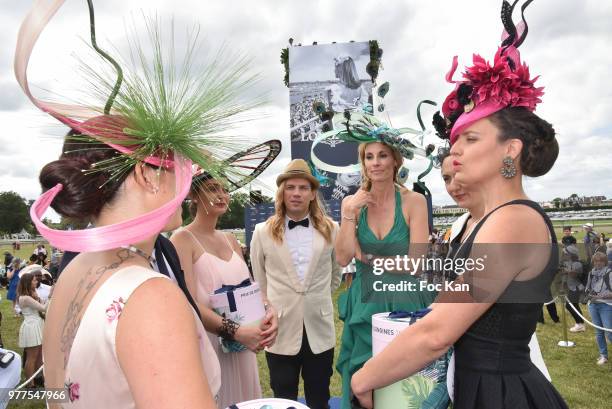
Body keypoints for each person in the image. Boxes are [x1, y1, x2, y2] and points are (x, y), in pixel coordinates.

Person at [15, 0, 262, 405]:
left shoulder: (73, 275)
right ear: (147, 175)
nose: (189, 183)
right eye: (181, 167)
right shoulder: (150, 296)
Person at [351, 3, 568, 407]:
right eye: (455, 144)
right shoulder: (488, 218)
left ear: (511, 149)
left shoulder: (515, 220)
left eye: (471, 140)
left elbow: (438, 334)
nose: (456, 154)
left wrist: (363, 378)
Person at [335, 137, 435, 409]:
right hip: (365, 302)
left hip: (404, 298)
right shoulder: (353, 204)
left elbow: (416, 262)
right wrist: (347, 214)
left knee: (405, 383)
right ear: (363, 163)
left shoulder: (413, 201)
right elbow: (343, 257)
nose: (376, 162)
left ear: (395, 160)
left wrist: (368, 257)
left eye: (382, 155)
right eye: (369, 157)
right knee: (363, 380)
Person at [172, 173, 278, 408]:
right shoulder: (182, 239)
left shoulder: (231, 239)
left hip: (242, 348)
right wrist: (235, 331)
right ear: (194, 196)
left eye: (224, 189)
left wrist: (270, 311)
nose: (221, 195)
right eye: (212, 189)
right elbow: (187, 303)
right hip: (209, 347)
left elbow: (250, 291)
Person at [250, 159, 341, 409]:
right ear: (282, 192)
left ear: (313, 194)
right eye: (290, 187)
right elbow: (260, 281)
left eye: (303, 188)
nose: (296, 193)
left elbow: (336, 274)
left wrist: (316, 299)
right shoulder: (262, 231)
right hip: (280, 330)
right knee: (282, 398)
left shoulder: (332, 230)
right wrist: (270, 308)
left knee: (319, 398)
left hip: (319, 329)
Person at [17, 272, 47, 387]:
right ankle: (30, 384)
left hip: (37, 325)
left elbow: (41, 306)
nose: (36, 282)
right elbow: (43, 308)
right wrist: (50, 296)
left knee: (39, 355)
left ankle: (38, 378)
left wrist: (39, 298)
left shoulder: (32, 294)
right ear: (28, 283)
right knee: (31, 357)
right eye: (34, 280)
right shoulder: (25, 298)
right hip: (31, 327)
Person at [585, 252, 612, 365]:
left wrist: (602, 296)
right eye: (596, 261)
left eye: (600, 261)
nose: (598, 263)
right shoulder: (591, 273)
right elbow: (588, 287)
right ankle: (603, 355)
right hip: (593, 305)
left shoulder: (609, 273)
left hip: (606, 305)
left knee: (609, 332)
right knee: (598, 331)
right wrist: (589, 294)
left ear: (605, 262)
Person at [562, 245, 587, 332]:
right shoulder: (569, 262)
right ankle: (580, 324)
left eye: (566, 253)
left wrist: (565, 270)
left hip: (576, 287)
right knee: (573, 305)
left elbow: (574, 275)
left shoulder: (578, 263)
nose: (564, 254)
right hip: (572, 287)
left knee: (570, 306)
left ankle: (580, 324)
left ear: (571, 254)